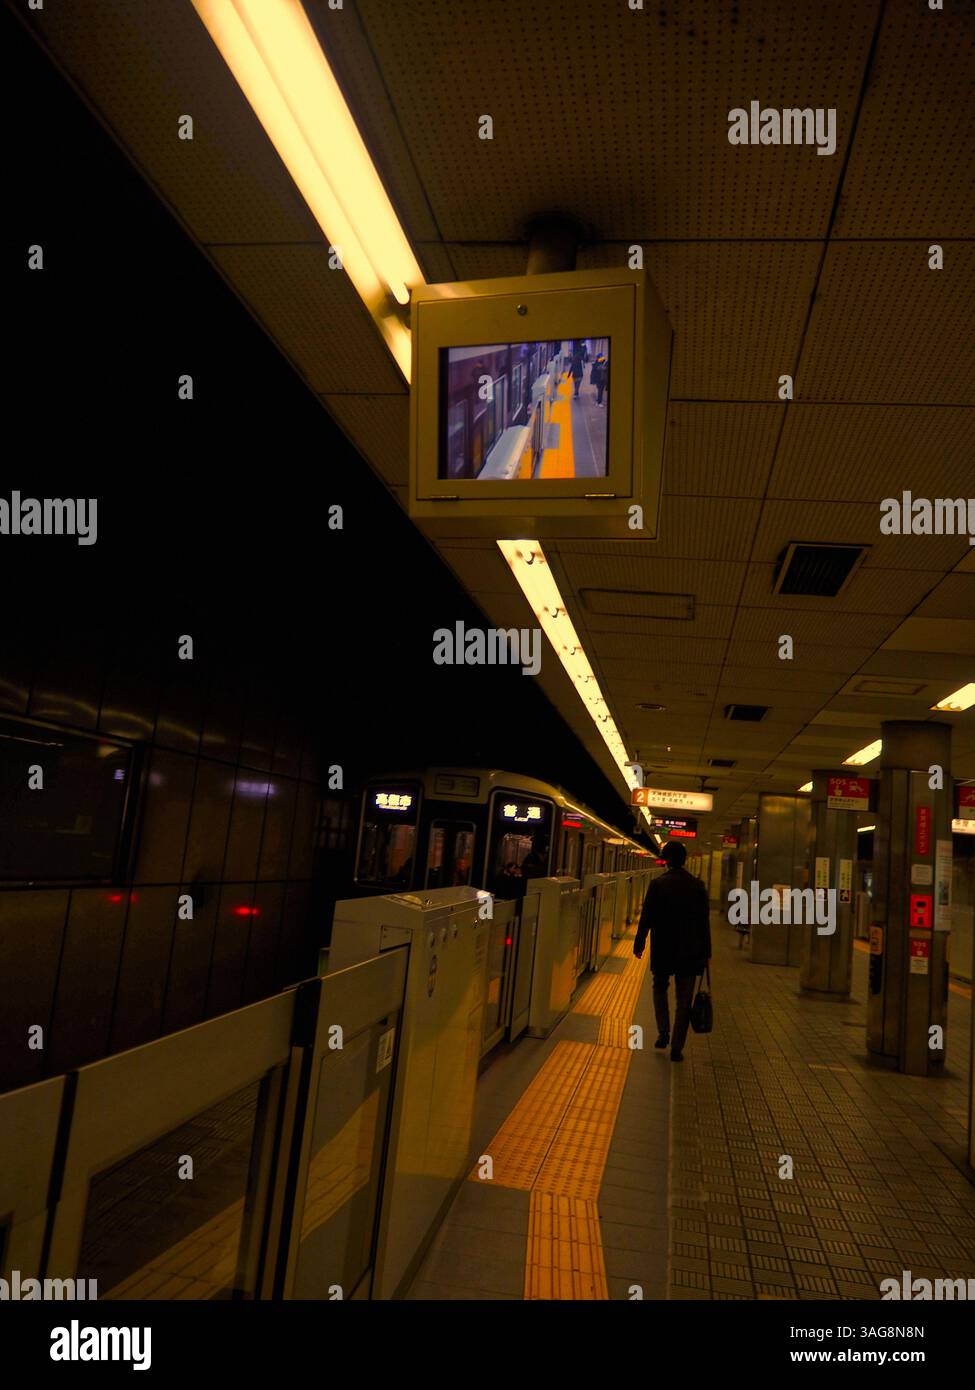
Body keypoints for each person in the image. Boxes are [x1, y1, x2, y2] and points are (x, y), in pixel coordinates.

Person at [633, 840, 711, 1062]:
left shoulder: (658, 884)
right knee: (683, 1000)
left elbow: (646, 917)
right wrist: (706, 953)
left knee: (659, 987)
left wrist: (639, 942)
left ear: (666, 859)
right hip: (690, 950)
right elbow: (704, 923)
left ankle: (663, 1032)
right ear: (684, 860)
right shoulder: (698, 886)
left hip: (663, 947)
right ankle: (677, 1047)